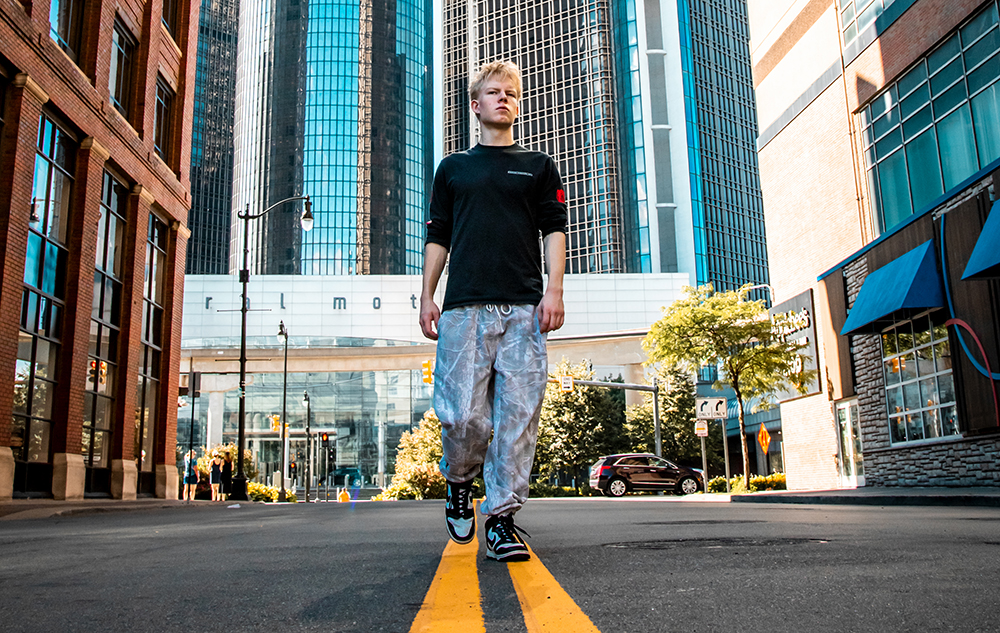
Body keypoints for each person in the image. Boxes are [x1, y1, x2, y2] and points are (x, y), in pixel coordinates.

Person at [420, 60, 567, 562]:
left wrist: (555, 291)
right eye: (492, 92)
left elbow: (553, 231)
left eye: (511, 93)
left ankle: (501, 519)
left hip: (524, 309)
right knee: (463, 415)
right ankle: (459, 482)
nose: (503, 98)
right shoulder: (454, 169)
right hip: (463, 310)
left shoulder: (540, 167)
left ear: (517, 104)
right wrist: (427, 296)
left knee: (518, 418)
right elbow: (438, 235)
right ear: (475, 105)